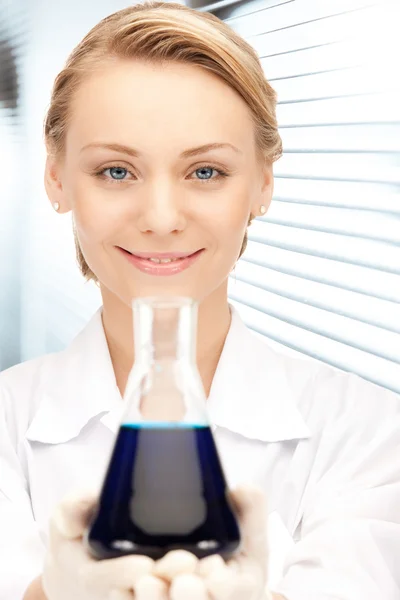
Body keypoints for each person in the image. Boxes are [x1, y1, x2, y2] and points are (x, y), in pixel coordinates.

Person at [0, 1, 399, 599]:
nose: (161, 219)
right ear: (56, 176)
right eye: (115, 171)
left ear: (263, 182)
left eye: (206, 172)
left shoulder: (368, 432)